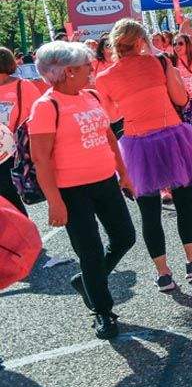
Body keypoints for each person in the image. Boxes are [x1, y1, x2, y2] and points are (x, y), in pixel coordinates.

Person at [95, 20, 192, 292]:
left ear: (113, 45)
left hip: (137, 144)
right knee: (184, 204)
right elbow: (182, 99)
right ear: (140, 41)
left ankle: (163, 274)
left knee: (149, 213)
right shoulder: (159, 61)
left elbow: (112, 116)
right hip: (172, 136)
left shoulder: (103, 78)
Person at [29, 41, 137, 340]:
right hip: (71, 190)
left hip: (104, 181)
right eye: (85, 65)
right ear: (67, 72)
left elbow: (108, 137)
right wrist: (54, 202)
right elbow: (40, 159)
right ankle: (102, 311)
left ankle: (89, 279)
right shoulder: (46, 107)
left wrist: (124, 173)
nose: (91, 68)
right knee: (89, 251)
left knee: (125, 236)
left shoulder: (90, 95)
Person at [0, 47, 41, 214]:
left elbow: (39, 116)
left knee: (12, 201)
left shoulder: (24, 86)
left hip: (17, 153)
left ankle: (24, 235)